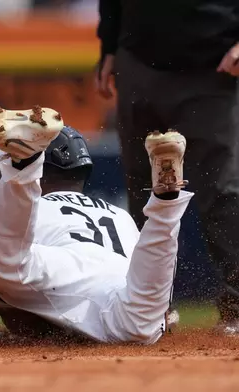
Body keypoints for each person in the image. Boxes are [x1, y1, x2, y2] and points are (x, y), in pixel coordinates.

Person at [0, 105, 191, 345]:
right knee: (141, 319)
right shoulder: (119, 215)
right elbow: (151, 277)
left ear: (44, 170)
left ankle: (23, 166)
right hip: (123, 288)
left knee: (2, 262)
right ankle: (165, 202)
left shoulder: (40, 210)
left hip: (57, 264)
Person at [95, 0, 239, 335]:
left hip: (213, 64)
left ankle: (237, 306)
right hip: (138, 57)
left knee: (223, 190)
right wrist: (109, 46)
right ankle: (150, 308)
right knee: (143, 191)